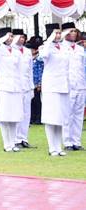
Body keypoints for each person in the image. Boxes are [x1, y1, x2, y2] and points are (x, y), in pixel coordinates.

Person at [38, 24, 70, 156]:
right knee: (51, 117)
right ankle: (52, 147)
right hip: (51, 87)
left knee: (60, 118)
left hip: (62, 85)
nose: (58, 36)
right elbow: (44, 55)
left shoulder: (63, 47)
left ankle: (59, 147)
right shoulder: (45, 47)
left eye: (59, 33)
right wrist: (49, 41)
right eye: (56, 33)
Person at [0, 30, 22, 152]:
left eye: (11, 36)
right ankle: (6, 144)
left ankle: (13, 143)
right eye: (8, 36)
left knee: (14, 116)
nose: (10, 38)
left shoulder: (16, 51)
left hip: (15, 86)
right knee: (4, 116)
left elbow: (19, 69)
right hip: (3, 87)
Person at [63, 25, 85, 151]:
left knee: (78, 114)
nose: (73, 33)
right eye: (70, 31)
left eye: (74, 31)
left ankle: (76, 141)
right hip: (68, 85)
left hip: (80, 84)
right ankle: (67, 142)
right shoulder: (61, 47)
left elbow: (82, 67)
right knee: (67, 114)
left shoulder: (80, 49)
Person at [13, 30, 36, 148]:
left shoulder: (27, 51)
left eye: (23, 37)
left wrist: (32, 87)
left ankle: (24, 138)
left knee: (27, 114)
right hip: (16, 86)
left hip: (27, 86)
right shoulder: (11, 50)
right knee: (17, 113)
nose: (21, 39)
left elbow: (30, 70)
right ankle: (16, 139)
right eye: (19, 37)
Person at [30, 36, 44, 125]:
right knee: (32, 102)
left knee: (38, 102)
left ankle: (39, 118)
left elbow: (40, 71)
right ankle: (32, 118)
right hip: (30, 83)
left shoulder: (39, 59)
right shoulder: (29, 58)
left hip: (37, 83)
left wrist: (39, 83)